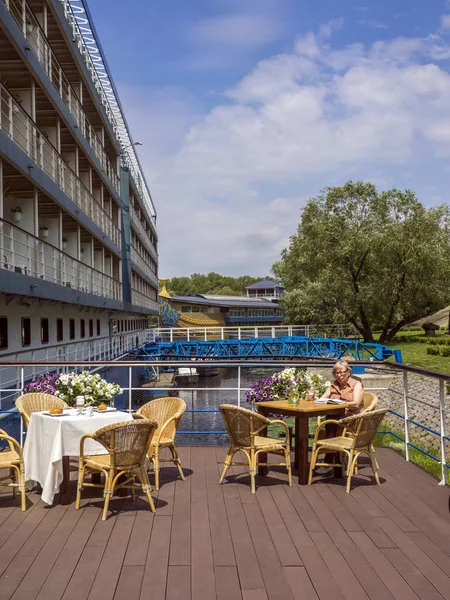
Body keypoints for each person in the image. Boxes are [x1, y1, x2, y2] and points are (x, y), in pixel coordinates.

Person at [315, 360, 364, 475]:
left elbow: (356, 403)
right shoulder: (333, 385)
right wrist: (315, 399)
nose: (339, 375)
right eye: (337, 373)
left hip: (351, 418)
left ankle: (330, 460)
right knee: (331, 420)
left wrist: (341, 403)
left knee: (331, 422)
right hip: (337, 417)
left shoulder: (356, 384)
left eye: (342, 372)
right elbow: (322, 399)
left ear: (348, 372)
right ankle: (336, 459)